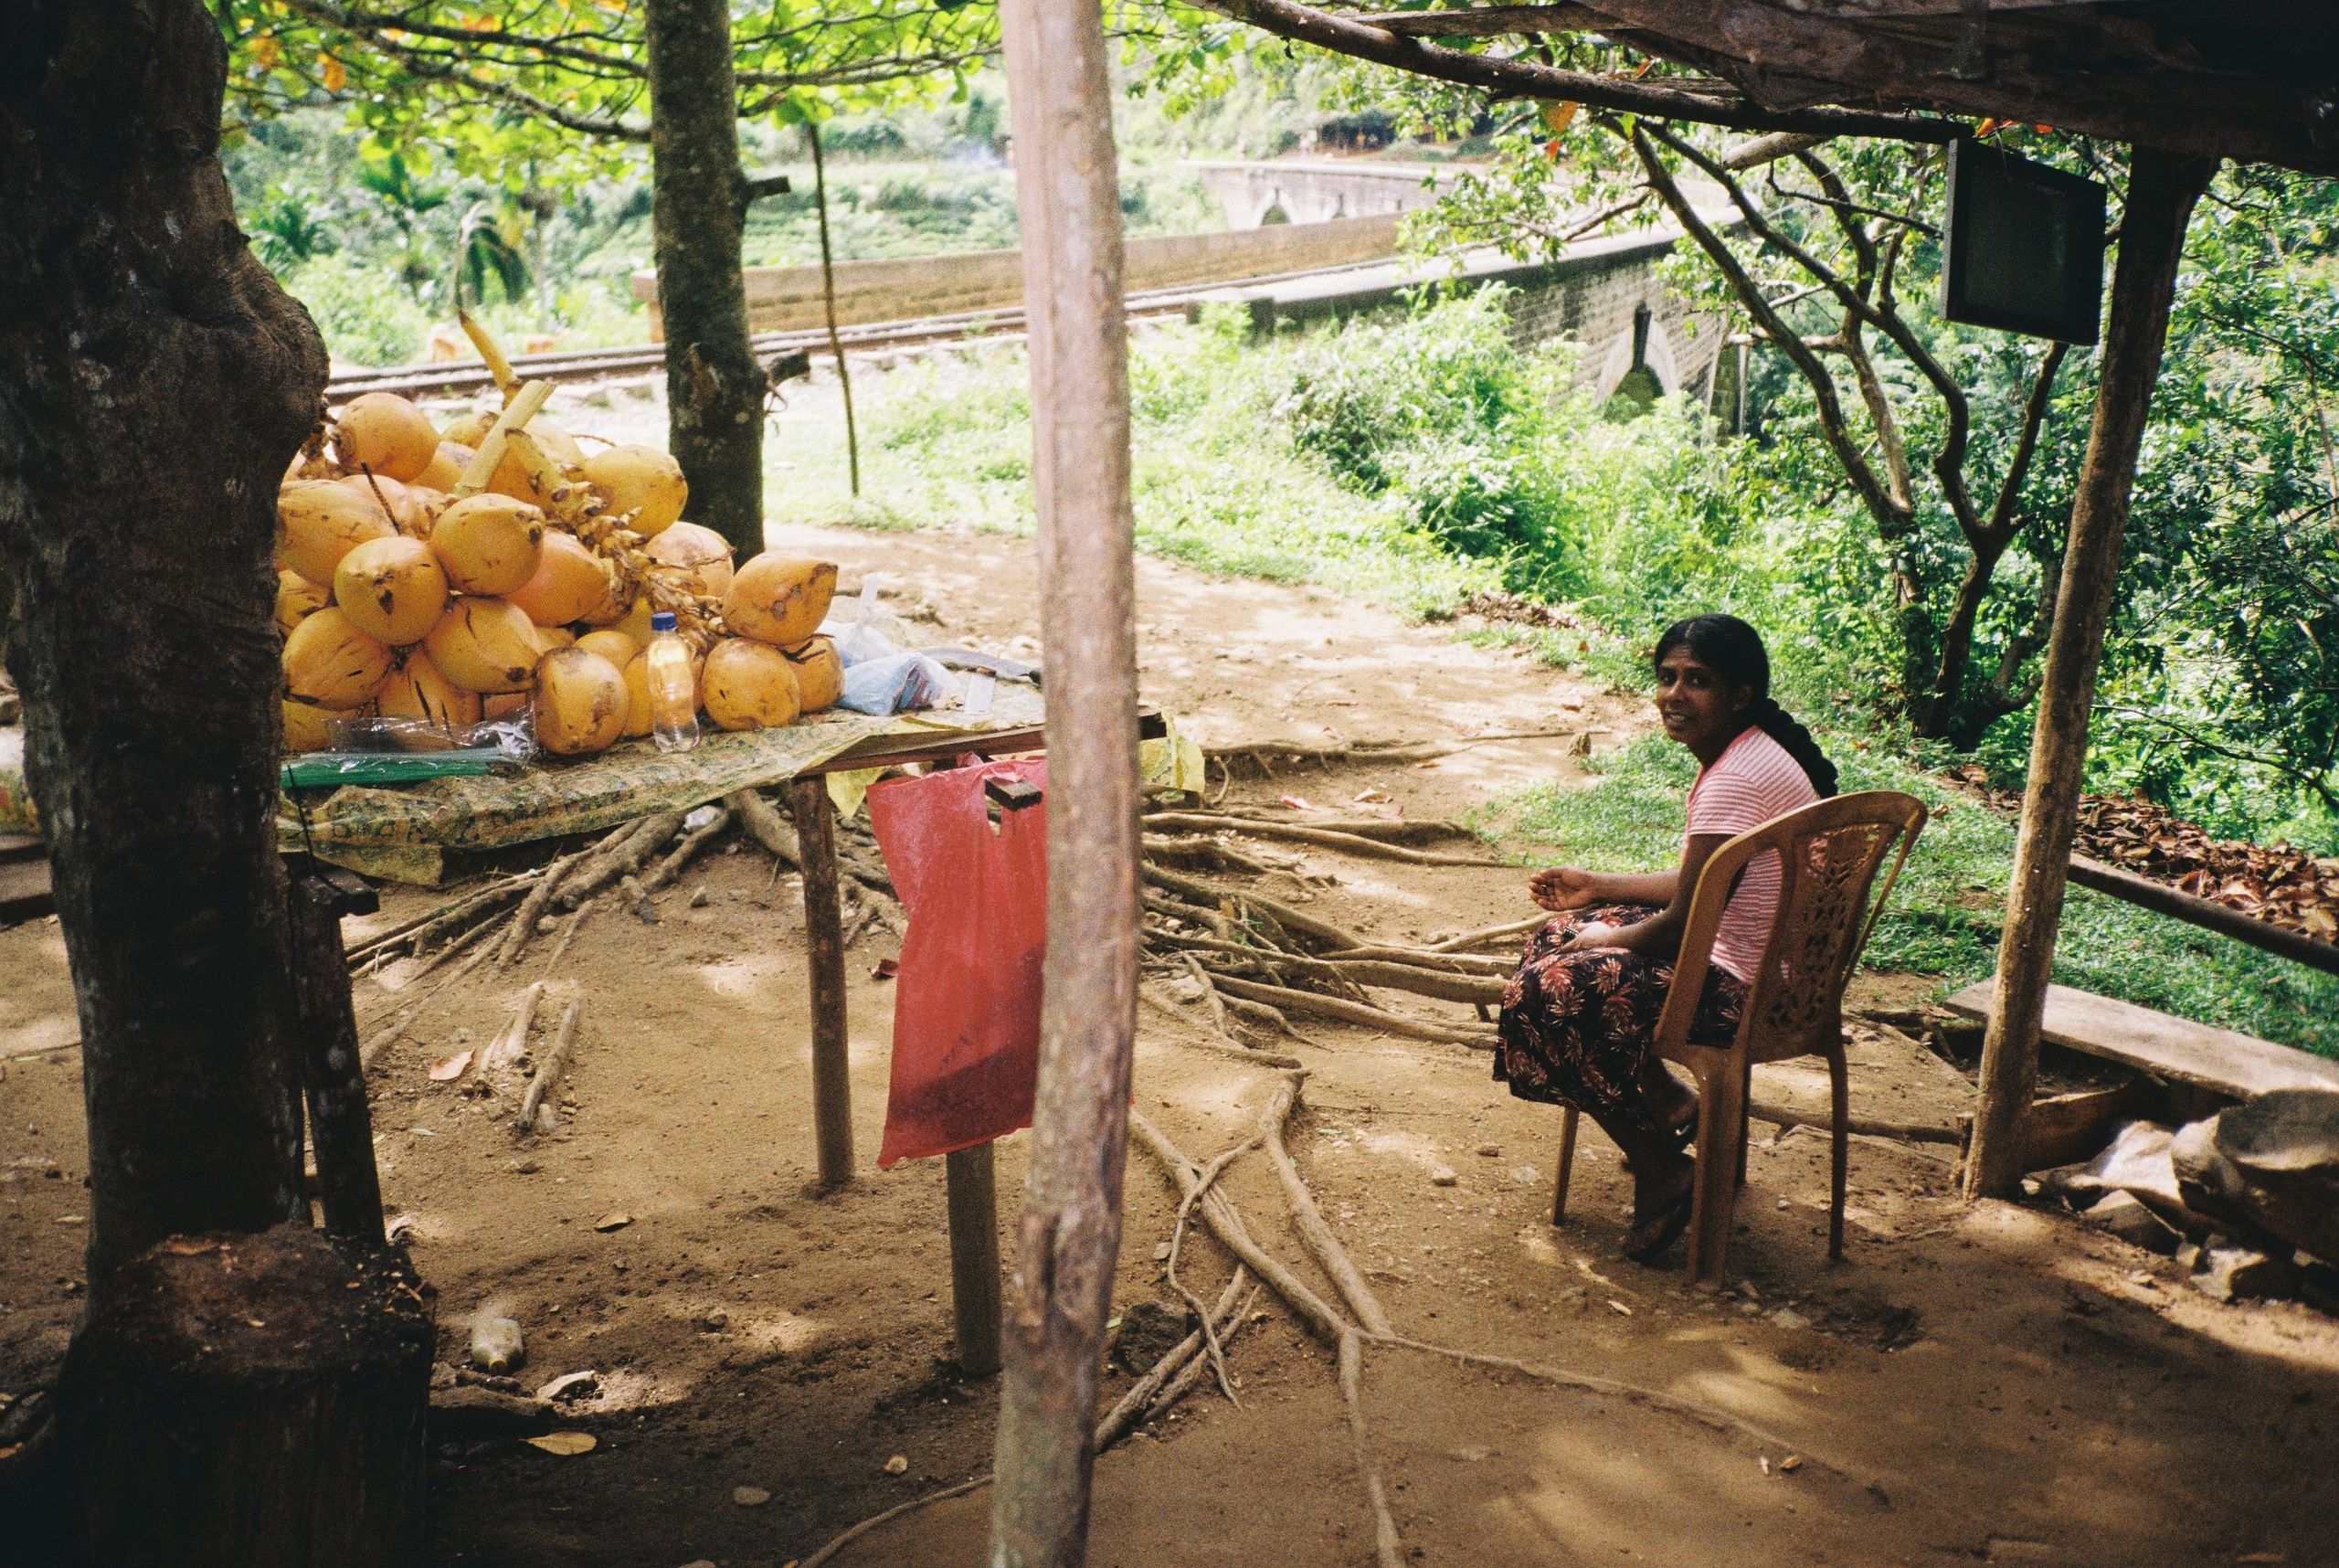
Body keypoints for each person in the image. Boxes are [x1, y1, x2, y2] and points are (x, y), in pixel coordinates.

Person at [1495, 614, 1838, 1262]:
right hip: (1766, 967)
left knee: (1549, 991)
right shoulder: (1755, 749)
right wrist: (1597, 888)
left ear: (1738, 696)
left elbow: (1684, 921)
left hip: (1752, 989)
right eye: (1667, 677)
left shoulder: (1737, 776)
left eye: (1697, 681)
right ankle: (1668, 1098)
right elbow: (1703, 884)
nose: (1674, 695)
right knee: (1554, 939)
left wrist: (1603, 942)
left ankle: (1662, 1167)